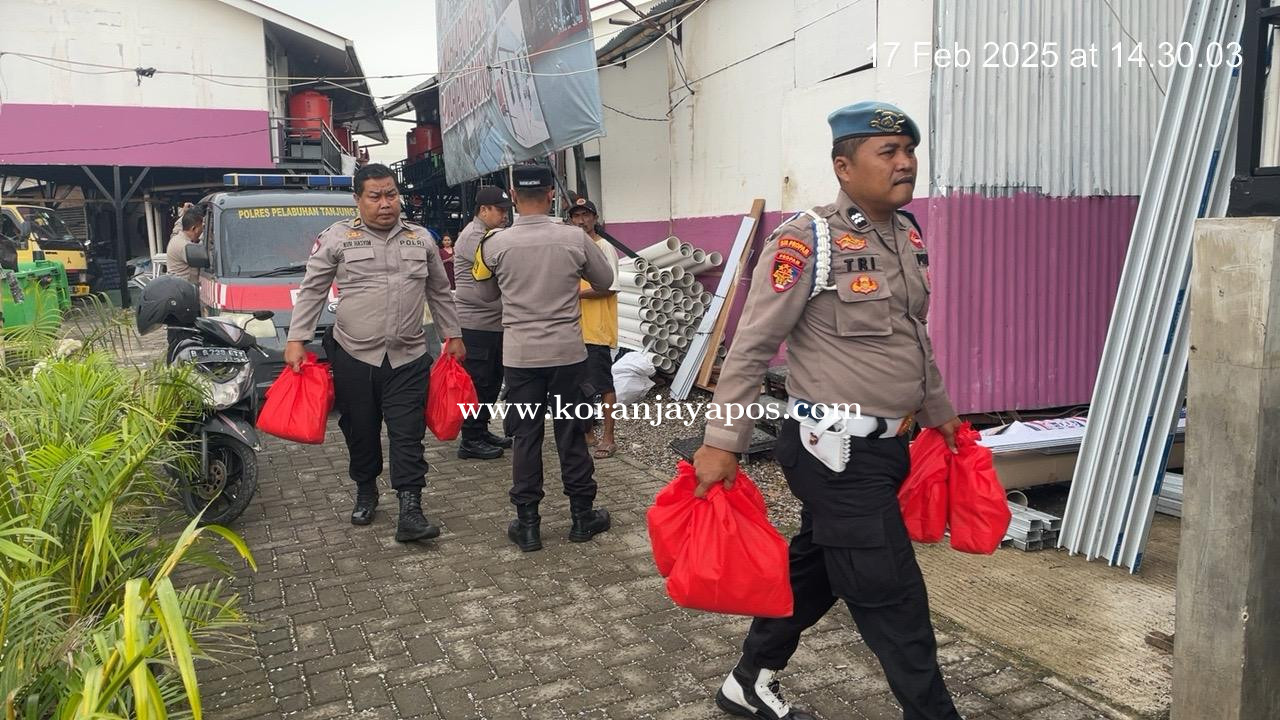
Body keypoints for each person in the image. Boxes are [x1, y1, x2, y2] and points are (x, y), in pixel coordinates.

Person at [693, 101, 964, 720]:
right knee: (890, 593)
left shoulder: (906, 233)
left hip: (887, 447)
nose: (905, 163)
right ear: (844, 167)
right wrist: (722, 440)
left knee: (816, 570)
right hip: (833, 452)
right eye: (887, 153)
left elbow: (912, 335)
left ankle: (748, 680)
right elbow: (753, 344)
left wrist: (939, 408)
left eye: (908, 152)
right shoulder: (805, 237)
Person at [285, 163, 465, 544]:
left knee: (407, 433)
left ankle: (411, 508)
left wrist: (454, 335)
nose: (385, 204)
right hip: (354, 356)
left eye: (391, 195)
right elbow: (313, 289)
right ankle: (366, 490)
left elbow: (439, 291)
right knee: (361, 431)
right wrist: (296, 339)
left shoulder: (421, 239)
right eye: (375, 196)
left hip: (409, 355)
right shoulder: (337, 238)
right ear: (358, 199)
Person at [471, 165, 615, 553]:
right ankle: (582, 518)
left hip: (520, 357)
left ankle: (529, 524)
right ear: (552, 194)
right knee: (572, 434)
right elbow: (605, 281)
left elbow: (484, 296)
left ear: (513, 197)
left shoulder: (493, 244)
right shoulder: (574, 238)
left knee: (525, 438)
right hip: (568, 354)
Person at [453, 186, 514, 460]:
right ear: (484, 210)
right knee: (478, 383)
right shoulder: (473, 238)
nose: (504, 215)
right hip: (476, 324)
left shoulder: (488, 235)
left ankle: (481, 429)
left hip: (494, 323)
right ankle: (470, 439)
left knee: (491, 382)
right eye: (500, 210)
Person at [568, 198, 621, 459]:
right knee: (580, 386)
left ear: (595, 218)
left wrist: (575, 295)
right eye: (576, 216)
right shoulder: (572, 249)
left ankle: (608, 438)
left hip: (596, 329)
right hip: (573, 329)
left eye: (586, 215)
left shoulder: (604, 247)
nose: (581, 220)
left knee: (602, 385)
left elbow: (609, 286)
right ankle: (588, 433)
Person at [166, 207, 204, 285]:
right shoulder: (185, 246)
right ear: (194, 229)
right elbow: (205, 259)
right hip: (182, 291)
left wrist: (186, 212)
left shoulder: (178, 238)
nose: (203, 230)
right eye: (202, 227)